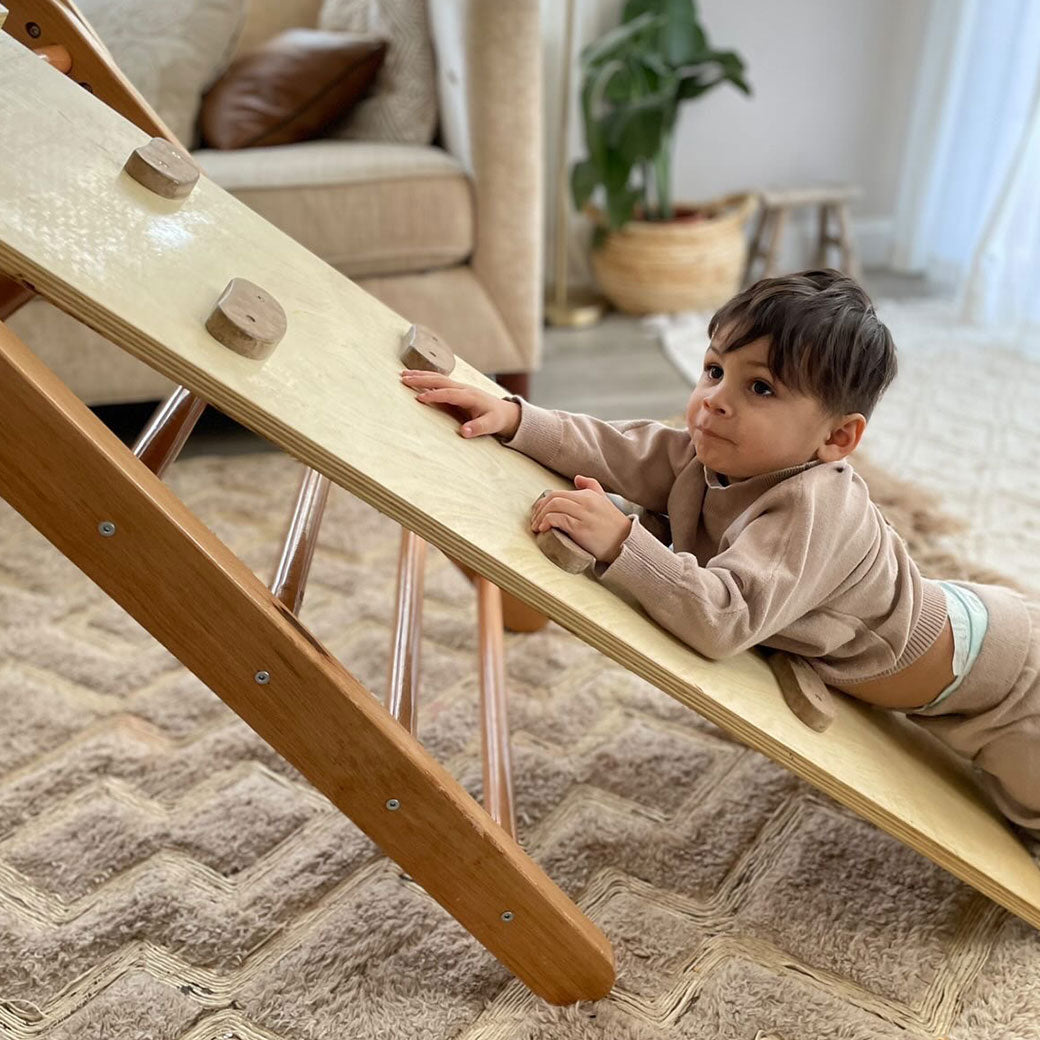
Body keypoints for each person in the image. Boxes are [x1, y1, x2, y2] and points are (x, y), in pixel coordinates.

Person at [400, 269, 1039, 840]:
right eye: (713, 370)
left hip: (1007, 686)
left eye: (759, 388)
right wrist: (515, 418)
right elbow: (620, 448)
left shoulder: (814, 507)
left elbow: (724, 619)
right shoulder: (713, 451)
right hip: (960, 623)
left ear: (837, 437)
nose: (715, 400)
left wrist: (624, 543)